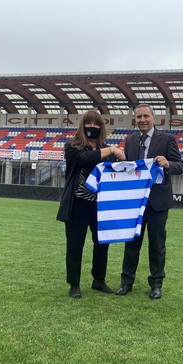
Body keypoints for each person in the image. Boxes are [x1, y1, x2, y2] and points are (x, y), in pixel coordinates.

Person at [115, 104, 183, 299]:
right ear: (135, 120)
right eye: (139, 117)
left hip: (157, 203)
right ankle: (126, 282)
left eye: (146, 116)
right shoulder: (130, 140)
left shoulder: (167, 139)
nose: (142, 120)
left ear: (154, 118)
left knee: (156, 245)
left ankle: (156, 285)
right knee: (131, 243)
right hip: (135, 203)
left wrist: (168, 163)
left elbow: (180, 166)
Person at [57, 110, 125, 298]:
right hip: (76, 205)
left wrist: (122, 158)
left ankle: (99, 280)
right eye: (88, 123)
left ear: (101, 128)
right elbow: (82, 159)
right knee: (74, 245)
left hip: (100, 207)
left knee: (102, 243)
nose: (92, 127)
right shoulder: (71, 146)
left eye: (96, 124)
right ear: (82, 125)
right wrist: (111, 151)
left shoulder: (107, 149)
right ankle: (74, 284)